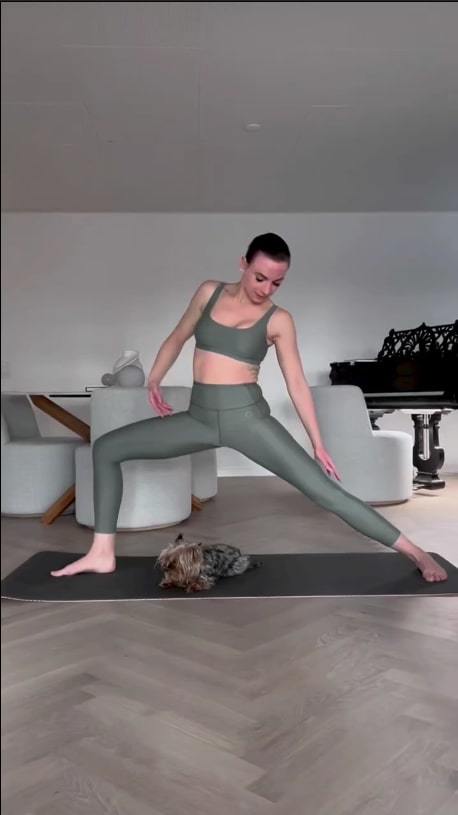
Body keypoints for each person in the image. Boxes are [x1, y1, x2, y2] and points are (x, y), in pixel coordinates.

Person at [51, 233, 447, 582]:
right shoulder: (208, 292)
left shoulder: (279, 320)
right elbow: (178, 336)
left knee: (324, 491)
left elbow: (296, 383)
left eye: (277, 282)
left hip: (248, 420)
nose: (266, 289)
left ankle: (415, 552)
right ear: (243, 264)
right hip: (199, 418)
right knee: (107, 448)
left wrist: (318, 443)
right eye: (260, 277)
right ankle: (102, 553)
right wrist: (154, 377)